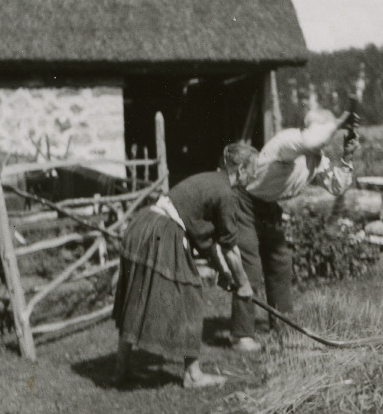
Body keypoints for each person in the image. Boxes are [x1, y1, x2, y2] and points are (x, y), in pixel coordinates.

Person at [112, 143, 258, 387]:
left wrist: (223, 272)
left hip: (143, 225)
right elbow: (231, 249)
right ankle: (193, 375)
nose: (255, 175)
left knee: (138, 296)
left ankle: (120, 370)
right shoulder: (226, 194)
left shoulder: (213, 180)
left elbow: (207, 240)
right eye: (253, 169)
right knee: (190, 297)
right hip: (161, 232)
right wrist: (244, 285)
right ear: (241, 169)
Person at [228, 98, 360, 351]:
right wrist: (339, 121)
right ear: (312, 127)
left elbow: (336, 186)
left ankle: (284, 330)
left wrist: (347, 156)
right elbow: (312, 140)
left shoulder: (316, 158)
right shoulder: (287, 141)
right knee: (250, 268)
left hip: (268, 206)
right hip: (245, 202)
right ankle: (241, 336)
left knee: (280, 264)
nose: (328, 136)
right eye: (326, 130)